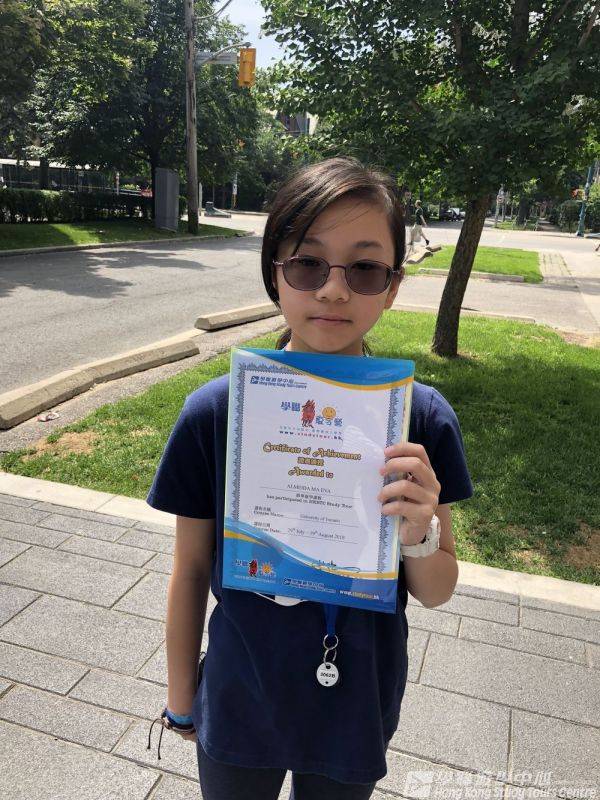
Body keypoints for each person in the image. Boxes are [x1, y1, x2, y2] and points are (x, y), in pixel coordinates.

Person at [147, 157, 472, 800]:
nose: (333, 290)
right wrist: (182, 700)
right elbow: (190, 569)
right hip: (240, 695)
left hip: (354, 706)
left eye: (365, 269)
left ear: (393, 286)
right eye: (307, 264)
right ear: (275, 273)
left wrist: (418, 534)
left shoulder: (420, 418)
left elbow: (437, 591)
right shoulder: (216, 413)